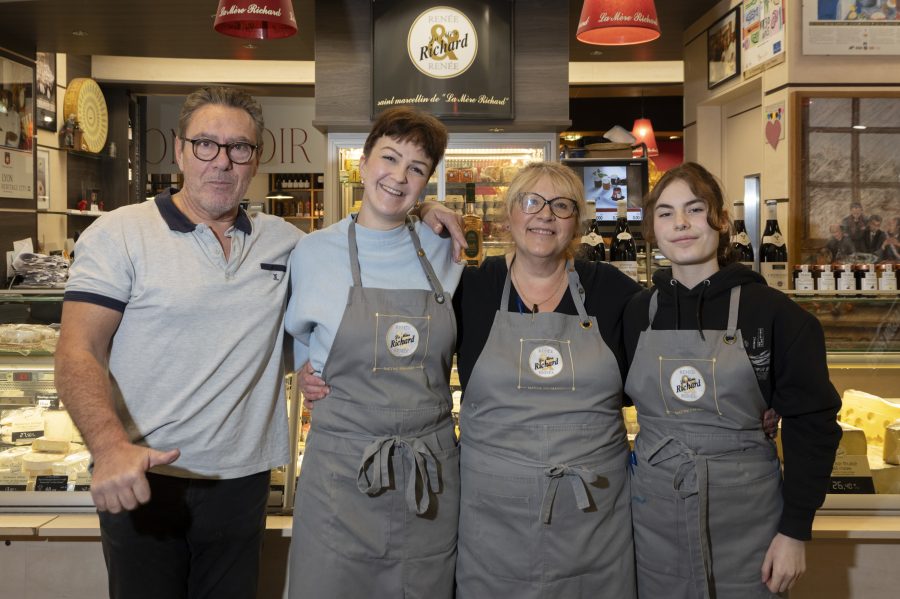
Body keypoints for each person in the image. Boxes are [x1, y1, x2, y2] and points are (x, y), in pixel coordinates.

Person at [55, 86, 303, 599]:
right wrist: (109, 448)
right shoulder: (120, 233)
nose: (222, 162)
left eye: (240, 148)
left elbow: (365, 242)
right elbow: (79, 349)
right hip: (144, 475)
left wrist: (427, 218)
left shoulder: (286, 241)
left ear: (256, 158)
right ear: (180, 150)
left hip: (243, 480)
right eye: (206, 144)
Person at [623, 162, 841, 598]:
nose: (680, 223)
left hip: (748, 517)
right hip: (652, 515)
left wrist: (795, 532)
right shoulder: (636, 313)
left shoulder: (776, 314)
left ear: (721, 220)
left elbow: (812, 427)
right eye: (665, 213)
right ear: (651, 228)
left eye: (695, 209)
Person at [286, 106, 464, 598]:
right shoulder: (312, 253)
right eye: (389, 158)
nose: (399, 177)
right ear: (362, 164)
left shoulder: (445, 250)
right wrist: (307, 371)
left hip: (425, 472)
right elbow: (303, 345)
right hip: (341, 472)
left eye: (417, 168)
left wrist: (432, 214)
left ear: (427, 183)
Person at [453, 162, 641, 597]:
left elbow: (659, 372)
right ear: (509, 215)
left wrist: (758, 395)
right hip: (493, 519)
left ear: (577, 222)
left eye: (561, 205)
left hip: (591, 519)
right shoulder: (471, 289)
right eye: (531, 201)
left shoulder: (613, 292)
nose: (545, 215)